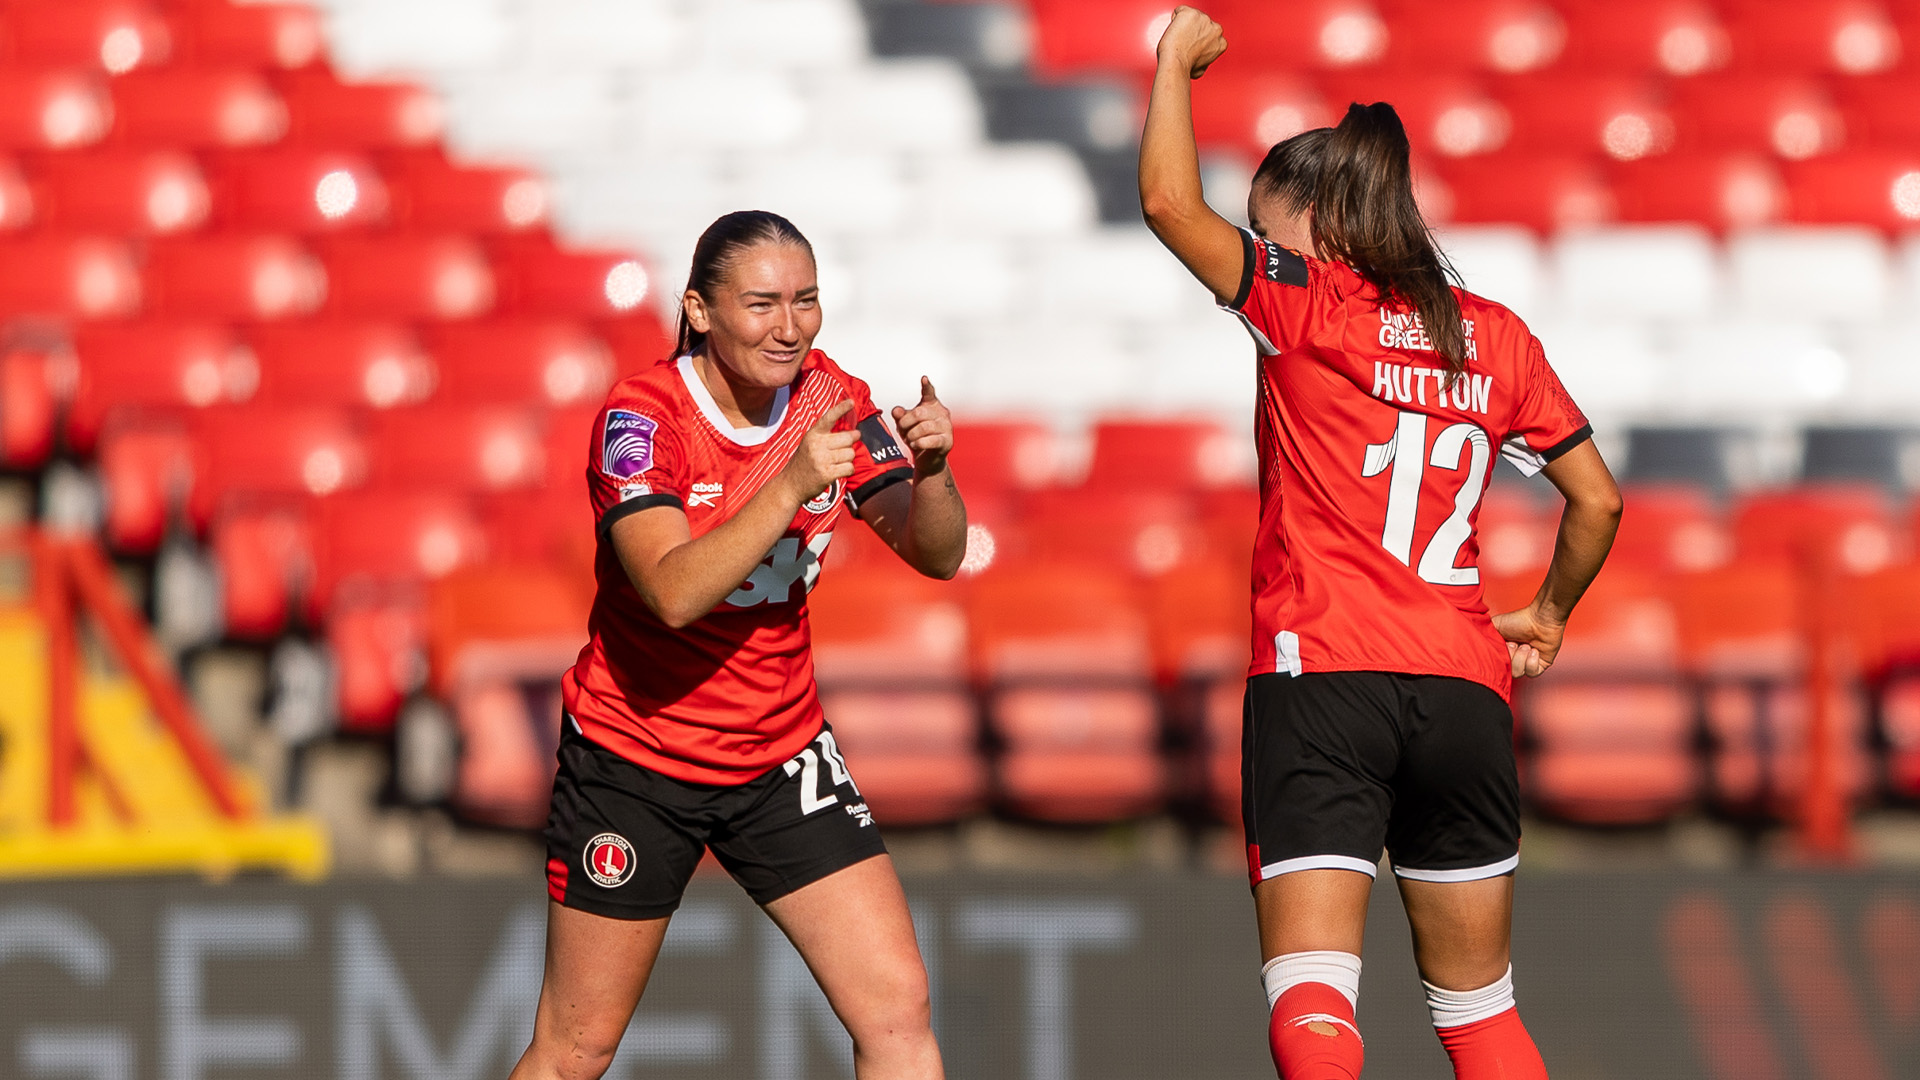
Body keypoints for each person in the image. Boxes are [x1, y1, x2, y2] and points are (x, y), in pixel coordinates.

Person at [1139, 9, 1623, 1080]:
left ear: (1316, 221)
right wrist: (1548, 616)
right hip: (1464, 686)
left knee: (1315, 998)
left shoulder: (1303, 302)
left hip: (1324, 674)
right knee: (1482, 1015)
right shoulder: (1494, 335)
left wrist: (1172, 60)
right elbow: (1597, 501)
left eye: (1270, 228)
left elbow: (1169, 203)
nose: (1261, 246)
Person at [510, 210, 965, 1080]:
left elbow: (936, 553)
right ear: (700, 310)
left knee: (898, 1012)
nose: (789, 327)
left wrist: (935, 472)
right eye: (761, 304)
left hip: (780, 753)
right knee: (576, 1050)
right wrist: (789, 483)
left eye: (806, 300)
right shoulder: (641, 420)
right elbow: (673, 593)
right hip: (637, 756)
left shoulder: (833, 396)